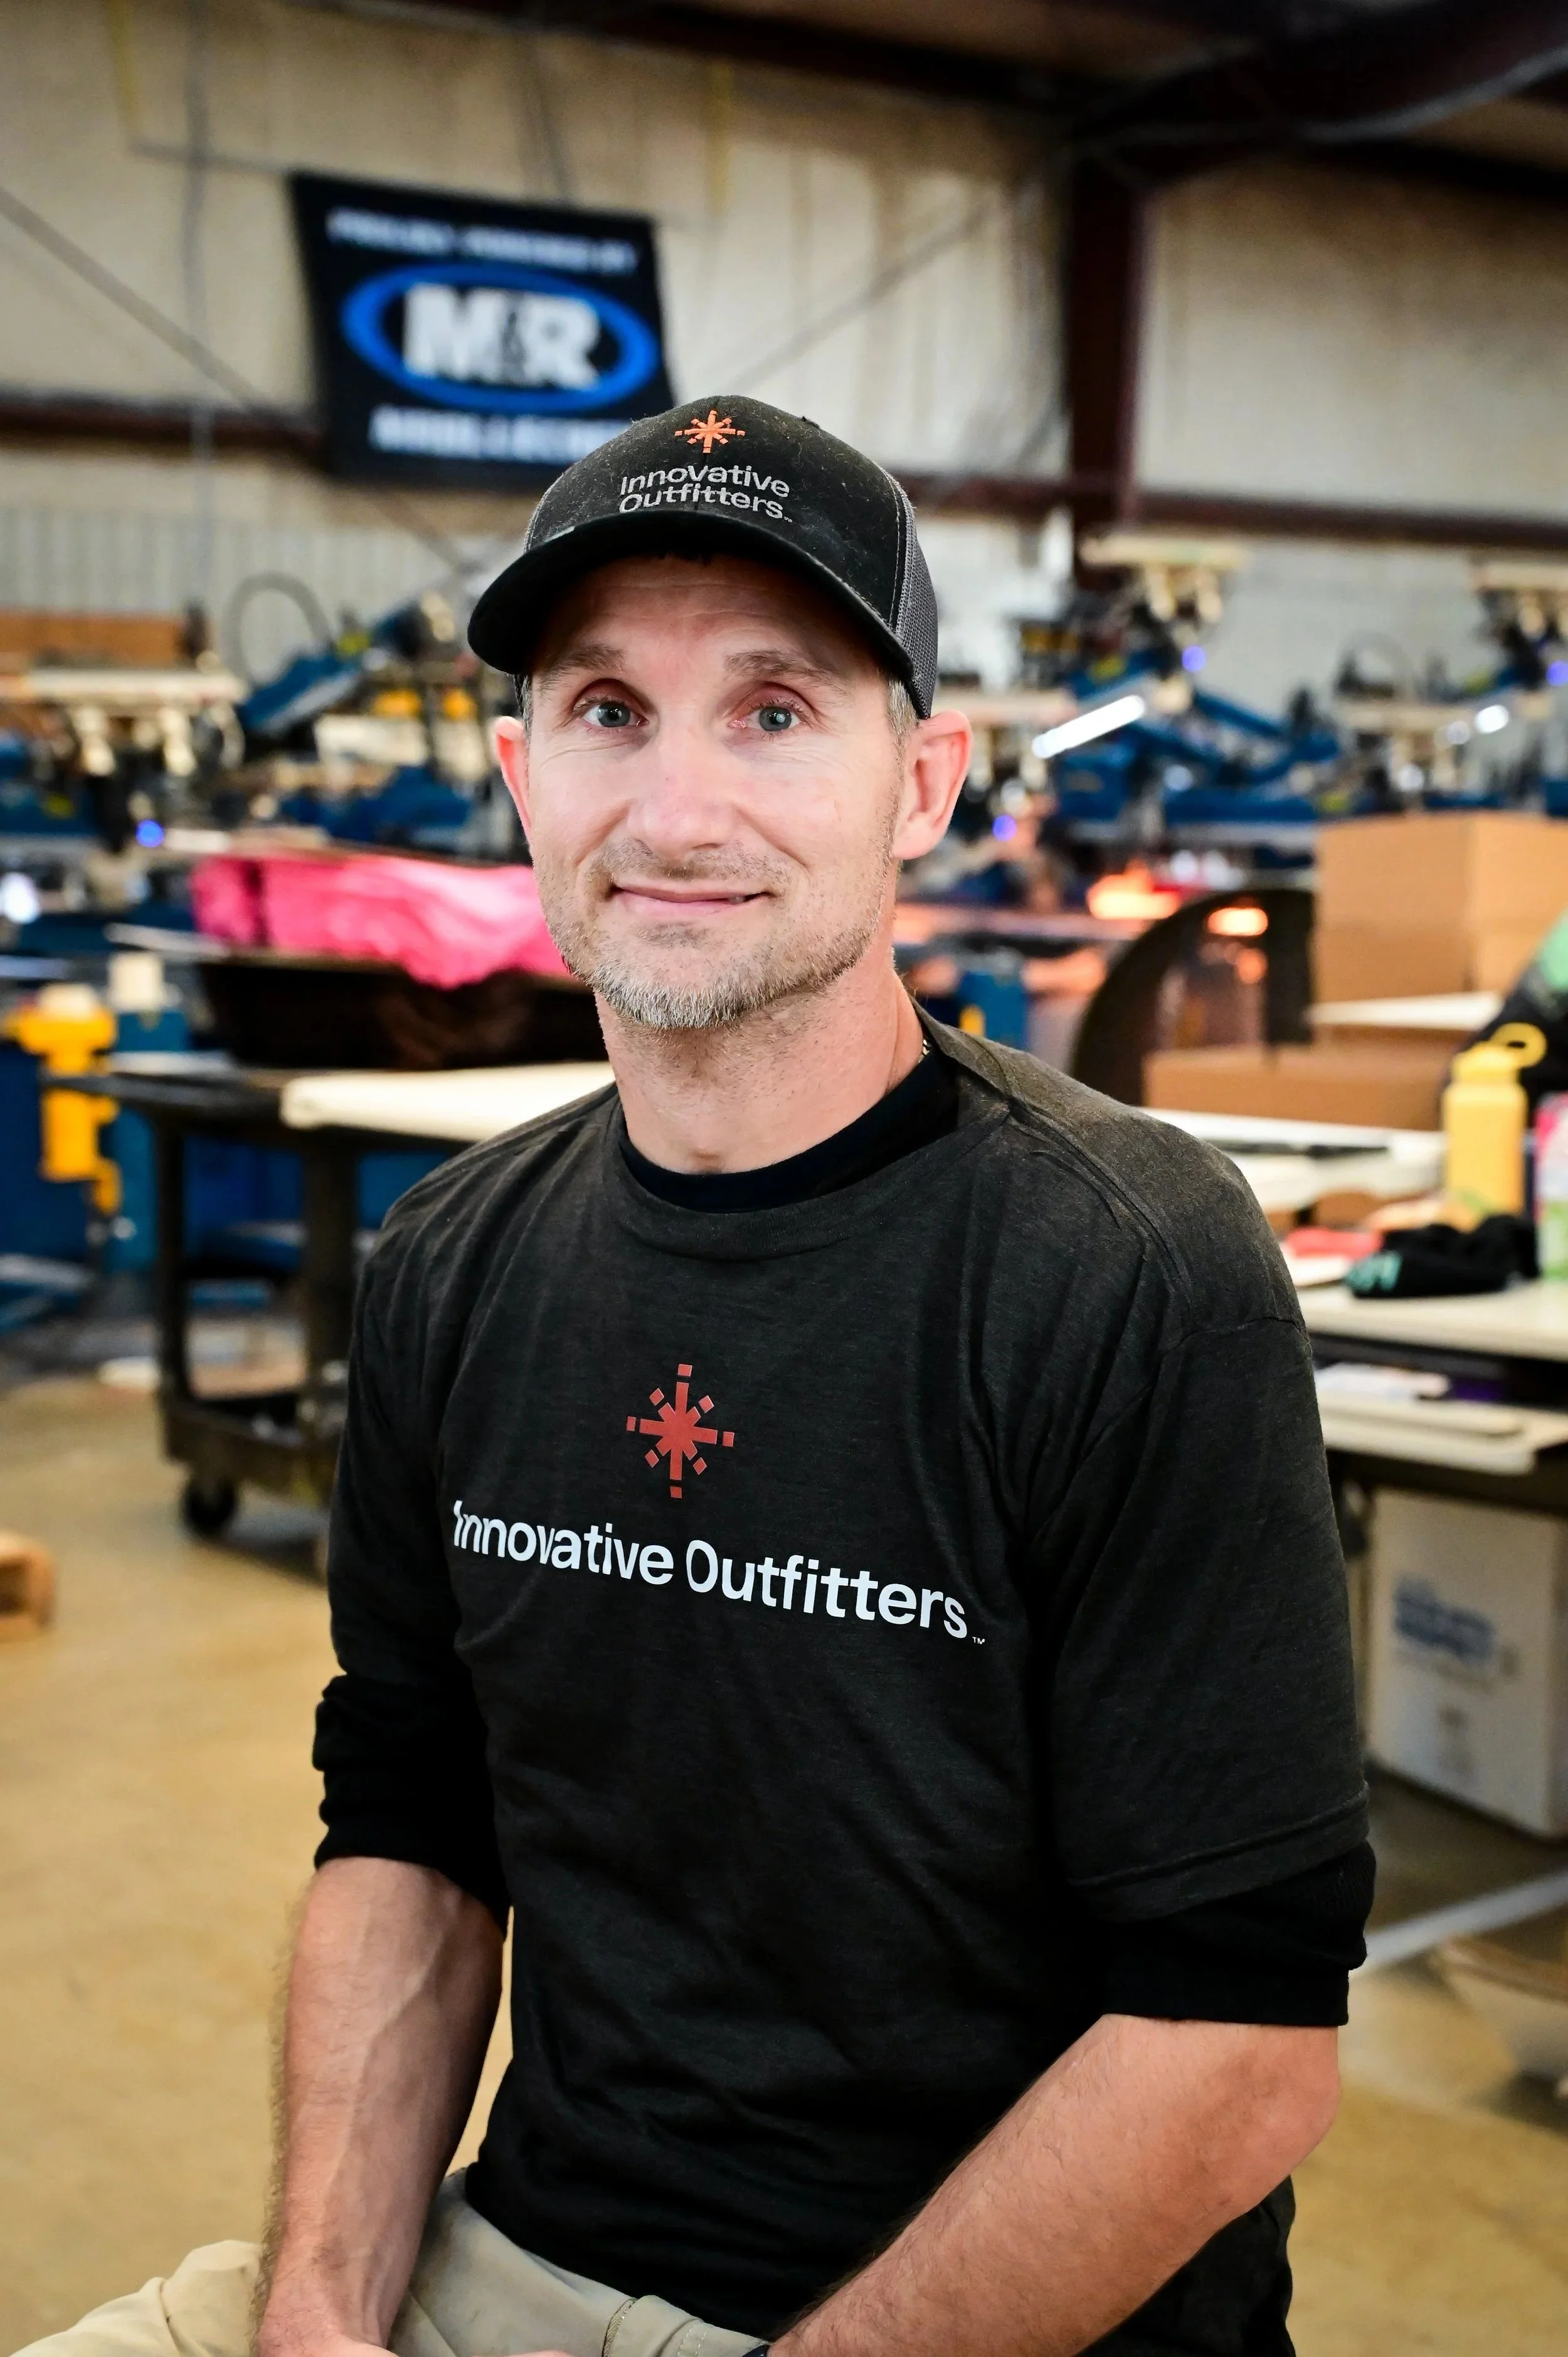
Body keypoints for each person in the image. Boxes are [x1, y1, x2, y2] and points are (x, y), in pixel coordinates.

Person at [23, 396, 1371, 2357]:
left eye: (771, 710)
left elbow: (1236, 2043)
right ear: (517, 774)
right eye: (605, 713)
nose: (673, 812)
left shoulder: (1126, 1266)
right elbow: (410, 1832)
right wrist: (321, 2309)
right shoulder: (453, 1267)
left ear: (923, 780)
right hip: (523, 2260)